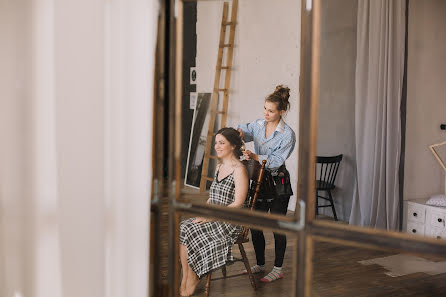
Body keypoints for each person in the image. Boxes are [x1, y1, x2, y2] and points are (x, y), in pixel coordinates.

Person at [179, 127, 249, 297]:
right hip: (214, 215)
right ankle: (186, 276)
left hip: (230, 220)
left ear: (233, 146)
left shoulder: (239, 170)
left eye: (221, 143)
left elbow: (238, 203)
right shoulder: (219, 167)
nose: (217, 146)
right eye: (216, 142)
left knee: (192, 230)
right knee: (183, 226)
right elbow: (213, 197)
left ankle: (194, 276)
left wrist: (211, 217)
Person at [237, 85, 296, 283]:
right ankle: (260, 264)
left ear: (282, 112)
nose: (266, 113)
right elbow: (243, 130)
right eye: (265, 109)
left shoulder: (288, 134)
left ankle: (278, 268)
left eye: (271, 111)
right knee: (256, 225)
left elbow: (277, 160)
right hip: (260, 181)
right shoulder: (258, 125)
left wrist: (254, 156)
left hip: (278, 183)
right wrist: (238, 134)